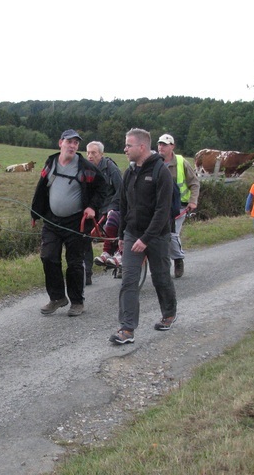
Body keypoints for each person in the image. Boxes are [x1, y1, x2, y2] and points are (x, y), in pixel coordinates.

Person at [110, 128, 177, 345]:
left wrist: (146, 239)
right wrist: (122, 234)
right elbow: (123, 205)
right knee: (129, 280)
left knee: (160, 277)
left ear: (141, 147)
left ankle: (168, 314)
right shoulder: (129, 173)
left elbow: (162, 211)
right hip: (132, 234)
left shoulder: (161, 172)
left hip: (157, 236)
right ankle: (126, 329)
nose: (125, 149)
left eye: (128, 145)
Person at [31, 129, 107, 317]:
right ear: (60, 143)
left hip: (76, 222)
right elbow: (41, 188)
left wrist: (91, 207)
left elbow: (102, 188)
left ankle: (77, 302)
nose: (72, 146)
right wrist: (35, 213)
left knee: (74, 263)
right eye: (69, 142)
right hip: (52, 220)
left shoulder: (85, 166)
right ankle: (57, 298)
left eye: (76, 143)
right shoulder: (51, 163)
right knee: (48, 256)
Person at [157, 134, 200, 278]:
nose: (161, 147)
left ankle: (178, 259)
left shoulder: (181, 162)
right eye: (160, 144)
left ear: (172, 147)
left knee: (171, 233)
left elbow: (194, 183)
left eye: (165, 144)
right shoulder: (155, 162)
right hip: (159, 206)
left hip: (179, 206)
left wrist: (193, 201)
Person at [83, 141, 123, 280]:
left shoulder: (111, 169)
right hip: (93, 209)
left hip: (109, 209)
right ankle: (86, 273)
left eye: (93, 153)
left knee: (113, 229)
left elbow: (121, 190)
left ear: (101, 154)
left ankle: (119, 259)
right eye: (88, 153)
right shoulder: (85, 169)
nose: (90, 156)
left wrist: (111, 208)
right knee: (84, 235)